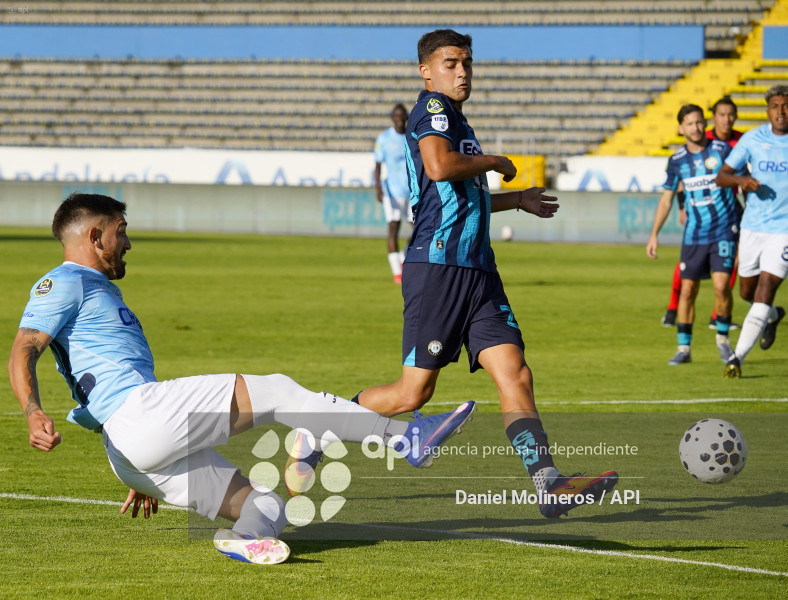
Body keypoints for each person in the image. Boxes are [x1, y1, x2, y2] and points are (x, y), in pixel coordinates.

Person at [8, 193, 477, 565]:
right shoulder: (65, 281)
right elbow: (24, 348)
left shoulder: (96, 290)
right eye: (120, 232)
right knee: (276, 389)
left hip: (130, 448)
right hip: (137, 421)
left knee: (266, 504)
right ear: (94, 236)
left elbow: (92, 381)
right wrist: (33, 413)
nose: (127, 243)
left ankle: (246, 539)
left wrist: (141, 454)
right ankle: (405, 437)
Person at [288, 29, 618, 519]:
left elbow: (460, 195)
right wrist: (496, 162)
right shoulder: (432, 110)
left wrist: (516, 199)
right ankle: (320, 427)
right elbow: (441, 169)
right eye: (451, 63)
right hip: (438, 270)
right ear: (426, 71)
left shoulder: (457, 119)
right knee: (413, 393)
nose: (462, 71)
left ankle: (548, 483)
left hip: (479, 272)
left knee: (515, 374)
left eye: (467, 62)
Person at [646, 104, 742, 365]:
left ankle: (723, 340)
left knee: (722, 286)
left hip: (724, 228)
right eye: (690, 123)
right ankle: (684, 348)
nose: (696, 127)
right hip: (694, 234)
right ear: (681, 128)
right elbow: (667, 198)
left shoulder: (723, 151)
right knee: (687, 290)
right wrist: (654, 234)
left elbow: (743, 182)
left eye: (700, 122)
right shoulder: (677, 161)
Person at [716, 85, 788, 378]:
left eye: (785, 105)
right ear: (767, 110)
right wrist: (741, 180)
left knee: (766, 287)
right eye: (775, 106)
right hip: (752, 228)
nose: (781, 112)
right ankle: (772, 315)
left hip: (784, 230)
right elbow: (721, 176)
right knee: (746, 290)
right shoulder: (752, 139)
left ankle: (736, 358)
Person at [661, 96, 744, 329]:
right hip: (698, 209)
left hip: (731, 206)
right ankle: (672, 308)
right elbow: (680, 181)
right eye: (722, 115)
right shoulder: (699, 143)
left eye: (730, 115)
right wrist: (681, 206)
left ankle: (722, 316)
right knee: (689, 272)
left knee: (732, 267)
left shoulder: (740, 142)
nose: (726, 120)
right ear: (713, 119)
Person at [374, 103, 413, 284]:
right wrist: (379, 189)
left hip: (412, 191)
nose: (399, 119)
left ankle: (404, 258)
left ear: (406, 118)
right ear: (392, 118)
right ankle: (397, 272)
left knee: (419, 229)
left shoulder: (412, 137)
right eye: (396, 115)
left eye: (402, 115)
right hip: (392, 192)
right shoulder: (384, 138)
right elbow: (377, 165)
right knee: (393, 228)